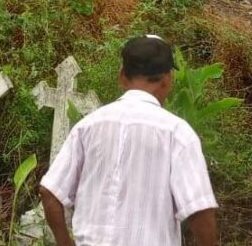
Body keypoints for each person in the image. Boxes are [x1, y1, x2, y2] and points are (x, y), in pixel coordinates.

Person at [39, 35, 219, 246]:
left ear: (122, 77)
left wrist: (64, 242)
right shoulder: (177, 133)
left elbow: (49, 191)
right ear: (168, 79)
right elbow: (200, 211)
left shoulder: (88, 126)